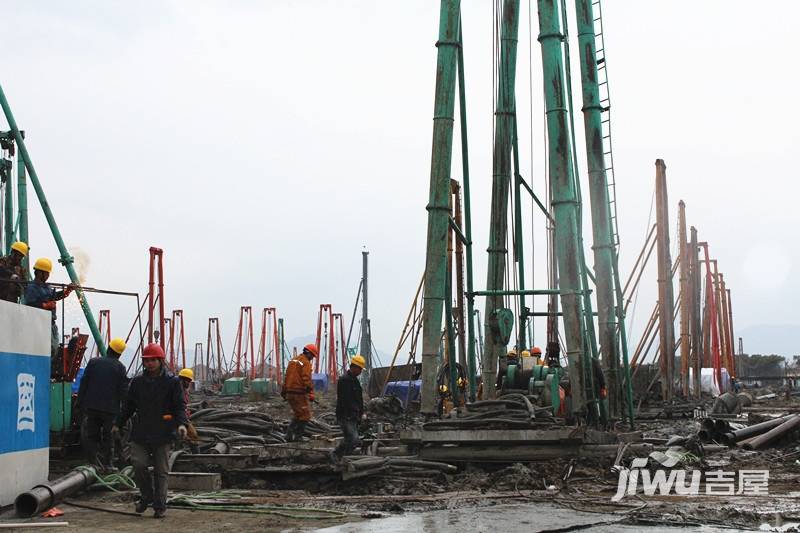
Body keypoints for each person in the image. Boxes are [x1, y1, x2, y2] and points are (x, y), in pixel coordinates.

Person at [114, 343, 187, 518]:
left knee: (161, 471)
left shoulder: (172, 382)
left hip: (163, 433)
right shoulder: (138, 382)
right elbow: (128, 406)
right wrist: (118, 423)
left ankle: (160, 505)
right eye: (147, 360)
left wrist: (182, 424)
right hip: (141, 433)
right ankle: (146, 496)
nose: (150, 364)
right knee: (139, 465)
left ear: (160, 361)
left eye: (153, 360)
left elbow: (179, 406)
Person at [76, 337, 129, 470]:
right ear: (119, 353)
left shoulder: (93, 362)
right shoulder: (120, 367)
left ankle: (92, 463)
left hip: (92, 406)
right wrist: (125, 409)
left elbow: (84, 383)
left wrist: (80, 402)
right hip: (110, 409)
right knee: (108, 436)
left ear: (109, 348)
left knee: (91, 435)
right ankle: (108, 464)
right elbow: (123, 391)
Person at [24, 257, 75, 356]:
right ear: (39, 273)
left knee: (54, 348)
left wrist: (67, 291)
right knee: (49, 349)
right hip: (38, 323)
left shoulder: (47, 287)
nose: (48, 275)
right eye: (46, 273)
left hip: (50, 323)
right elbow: (29, 304)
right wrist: (45, 305)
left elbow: (54, 297)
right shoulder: (32, 287)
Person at [331, 355, 366, 462]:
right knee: (353, 439)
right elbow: (345, 400)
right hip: (346, 415)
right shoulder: (344, 380)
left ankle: (343, 457)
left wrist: (362, 412)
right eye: (360, 369)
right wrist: (353, 413)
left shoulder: (354, 380)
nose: (360, 371)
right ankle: (336, 453)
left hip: (353, 415)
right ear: (354, 367)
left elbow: (358, 399)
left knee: (350, 439)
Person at [281, 343, 318, 441]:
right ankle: (298, 437)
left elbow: (286, 377)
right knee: (305, 415)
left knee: (298, 414)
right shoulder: (305, 363)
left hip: (290, 393)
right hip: (298, 394)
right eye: (313, 356)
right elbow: (306, 378)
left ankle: (289, 436)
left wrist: (284, 392)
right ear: (309, 353)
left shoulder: (292, 361)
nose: (312, 358)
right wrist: (310, 391)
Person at [177, 368, 199, 444]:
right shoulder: (177, 391)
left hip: (182, 417)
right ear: (183, 380)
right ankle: (196, 454)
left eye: (190, 381)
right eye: (188, 381)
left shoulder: (184, 391)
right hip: (178, 418)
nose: (189, 383)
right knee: (193, 435)